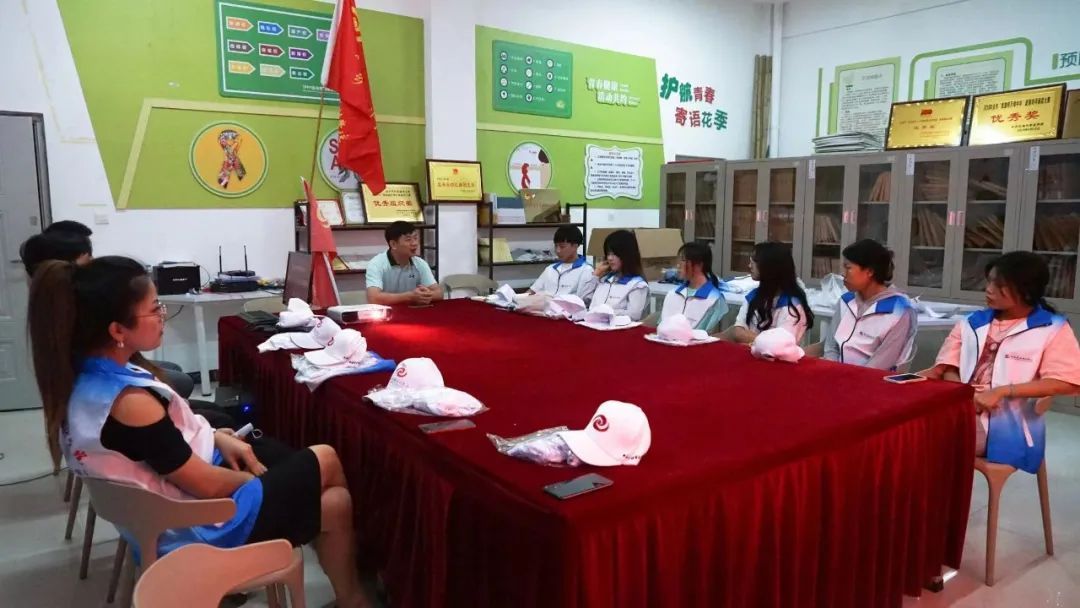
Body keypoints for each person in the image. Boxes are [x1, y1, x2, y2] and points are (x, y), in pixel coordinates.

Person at [28, 257, 368, 608]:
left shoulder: (86, 375)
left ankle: (351, 597)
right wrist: (261, 481)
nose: (162, 315)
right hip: (196, 527)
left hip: (165, 509)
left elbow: (171, 444)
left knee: (334, 502)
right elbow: (206, 485)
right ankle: (355, 596)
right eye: (154, 309)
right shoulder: (130, 404)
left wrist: (217, 436)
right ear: (117, 330)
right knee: (326, 458)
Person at [921, 252, 1080, 469]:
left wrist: (1002, 391)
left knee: (926, 442)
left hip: (1007, 425)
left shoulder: (1053, 328)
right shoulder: (970, 323)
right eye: (989, 282)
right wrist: (967, 395)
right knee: (905, 431)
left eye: (999, 286)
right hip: (961, 409)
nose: (988, 289)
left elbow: (1066, 381)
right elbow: (948, 367)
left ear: (1025, 291)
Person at [18, 226, 201, 404]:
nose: (93, 265)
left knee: (175, 379)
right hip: (105, 376)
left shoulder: (59, 303)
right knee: (182, 384)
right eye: (88, 259)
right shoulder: (76, 306)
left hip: (108, 368)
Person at [821, 239, 916, 370]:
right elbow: (831, 347)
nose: (843, 274)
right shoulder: (845, 301)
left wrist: (847, 378)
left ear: (870, 271)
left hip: (873, 379)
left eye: (848, 268)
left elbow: (881, 364)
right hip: (838, 375)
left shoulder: (900, 311)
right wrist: (833, 370)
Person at [722, 241, 813, 343]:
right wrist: (763, 340)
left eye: (754, 262)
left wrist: (748, 337)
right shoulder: (753, 296)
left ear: (770, 267)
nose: (749, 266)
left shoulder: (792, 306)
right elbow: (738, 332)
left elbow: (780, 345)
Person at [365, 221, 443, 306]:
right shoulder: (376, 264)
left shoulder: (420, 263)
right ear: (393, 244)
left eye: (415, 238)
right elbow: (373, 298)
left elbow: (439, 293)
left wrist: (426, 295)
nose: (415, 243)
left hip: (412, 310)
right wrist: (409, 296)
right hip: (387, 312)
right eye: (408, 240)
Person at [659, 241, 727, 331]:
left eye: (683, 260)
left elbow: (706, 334)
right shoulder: (673, 294)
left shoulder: (714, 299)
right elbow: (660, 326)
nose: (678, 265)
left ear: (699, 265)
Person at [589, 230, 649, 321]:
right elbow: (586, 301)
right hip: (594, 324)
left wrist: (605, 312)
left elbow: (634, 315)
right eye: (608, 254)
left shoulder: (637, 285)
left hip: (619, 327)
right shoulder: (604, 280)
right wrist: (596, 274)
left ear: (627, 255)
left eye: (614, 254)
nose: (610, 258)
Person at [527, 226, 598, 302]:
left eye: (562, 246)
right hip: (544, 308)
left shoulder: (586, 270)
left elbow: (583, 302)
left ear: (575, 246)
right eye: (556, 246)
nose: (557, 250)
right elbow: (531, 292)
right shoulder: (550, 269)